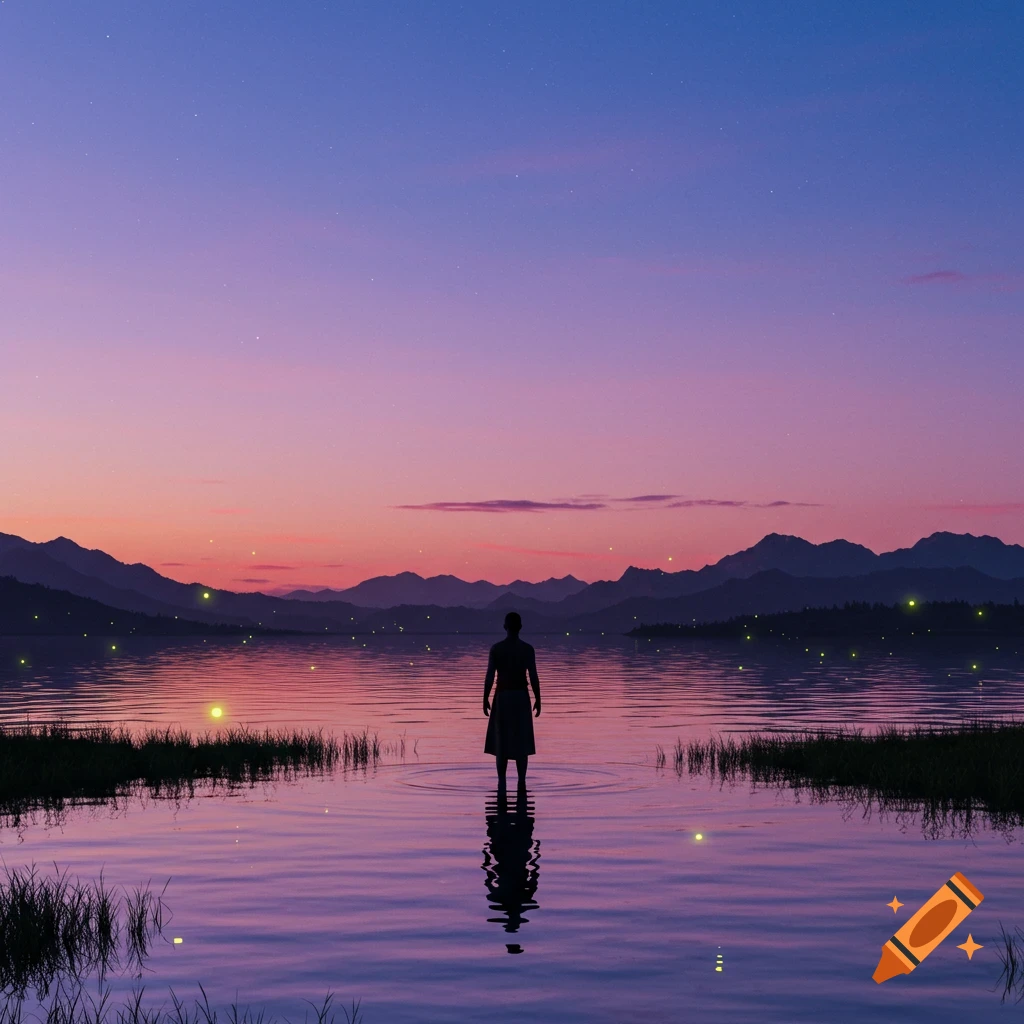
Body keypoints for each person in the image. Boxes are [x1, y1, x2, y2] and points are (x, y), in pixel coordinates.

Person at [483, 611, 541, 787]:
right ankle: (521, 782)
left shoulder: (496, 649)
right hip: (521, 698)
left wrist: (484, 697)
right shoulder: (527, 649)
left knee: (501, 743)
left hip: (502, 698)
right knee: (521, 742)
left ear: (504, 627)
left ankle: (501, 783)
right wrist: (539, 698)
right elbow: (533, 676)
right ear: (520, 627)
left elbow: (490, 676)